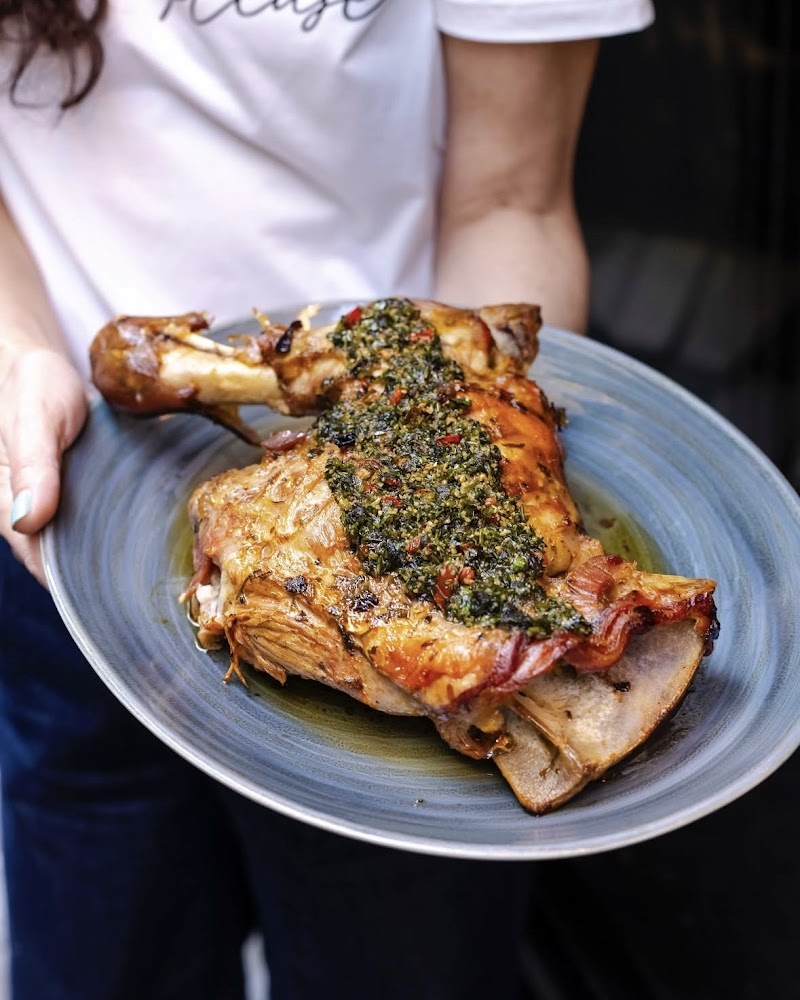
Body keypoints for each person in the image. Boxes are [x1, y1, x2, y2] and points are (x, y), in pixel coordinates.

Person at [0, 3, 654, 998]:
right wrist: (17, 354)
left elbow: (508, 201)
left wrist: (477, 493)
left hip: (414, 612)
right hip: (67, 517)